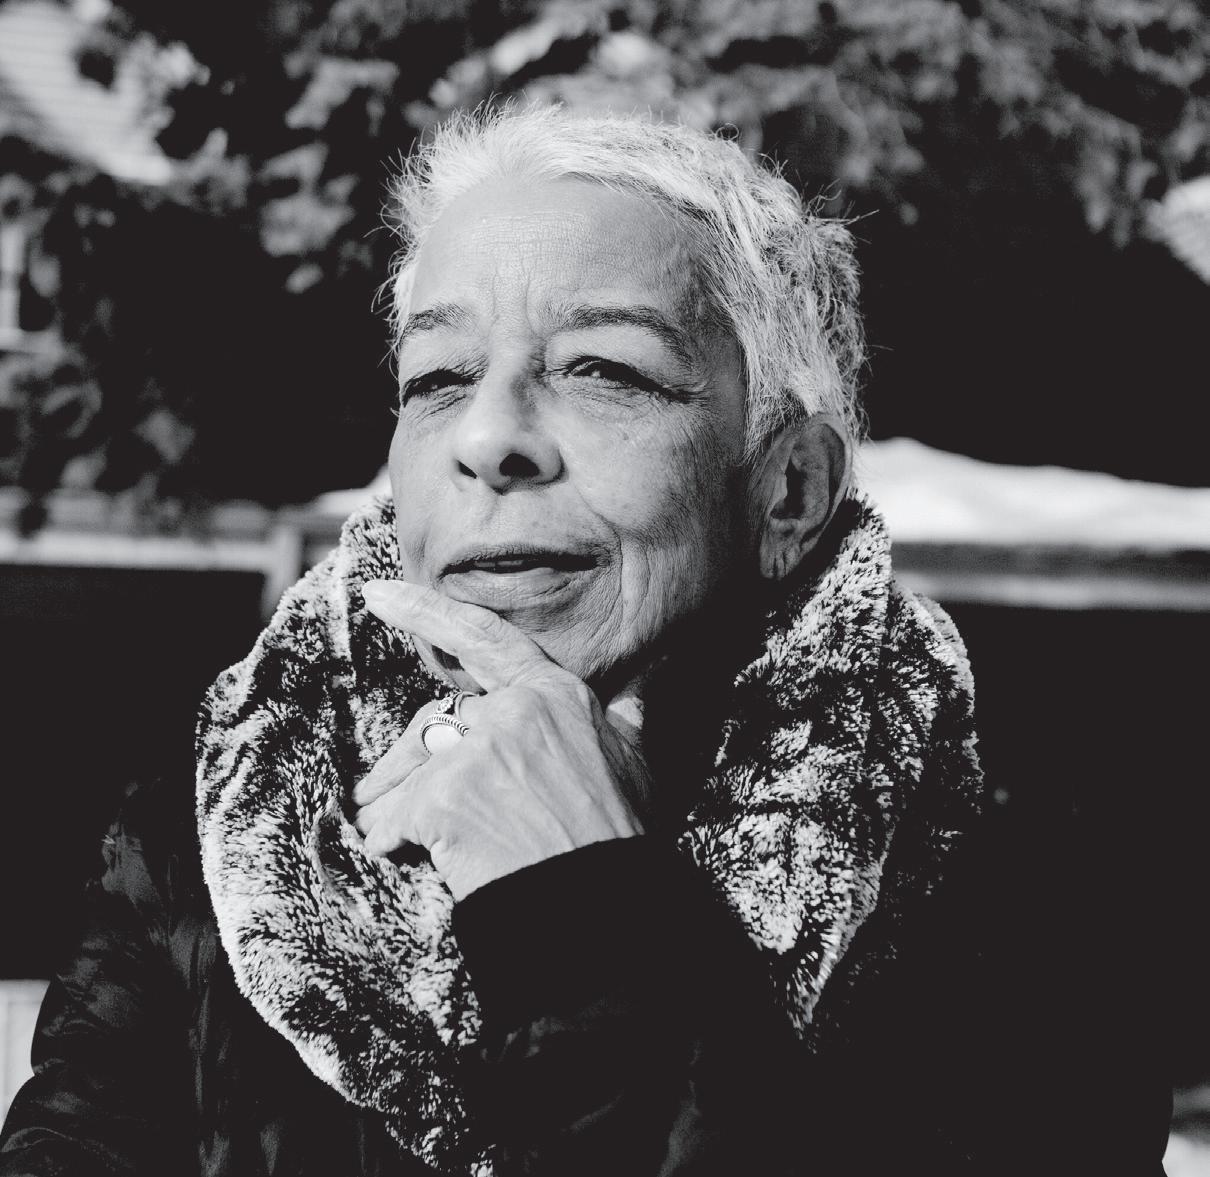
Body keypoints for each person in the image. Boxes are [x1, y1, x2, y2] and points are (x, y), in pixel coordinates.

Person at [2, 104, 1124, 1176]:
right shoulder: (215, 832)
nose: (489, 436)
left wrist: (582, 909)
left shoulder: (995, 867)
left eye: (605, 370)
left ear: (787, 489)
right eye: (439, 379)